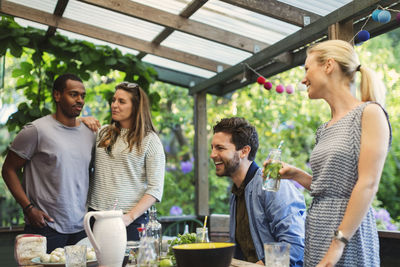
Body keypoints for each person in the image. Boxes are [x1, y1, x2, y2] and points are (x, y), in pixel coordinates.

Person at [266, 40, 392, 266]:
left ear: (329, 65)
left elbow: (368, 184)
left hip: (348, 235)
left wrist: (337, 245)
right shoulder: (324, 129)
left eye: (307, 69)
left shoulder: (370, 113)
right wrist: (296, 175)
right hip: (318, 231)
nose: (303, 79)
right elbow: (332, 187)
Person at [1, 74, 96, 252]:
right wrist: (29, 208)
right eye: (74, 94)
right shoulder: (36, 131)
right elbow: (8, 170)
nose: (80, 100)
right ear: (57, 95)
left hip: (82, 228)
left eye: (83, 95)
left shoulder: (90, 134)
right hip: (46, 226)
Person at [211, 117, 305, 266]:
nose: (212, 154)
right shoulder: (236, 193)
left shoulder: (273, 186)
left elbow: (295, 246)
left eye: (220, 148)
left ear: (244, 151)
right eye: (212, 148)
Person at [86, 81, 165, 241]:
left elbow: (155, 189)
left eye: (121, 101)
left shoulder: (150, 140)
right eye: (114, 100)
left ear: (136, 107)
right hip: (96, 216)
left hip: (130, 221)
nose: (114, 105)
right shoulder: (102, 133)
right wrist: (81, 121)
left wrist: (129, 218)